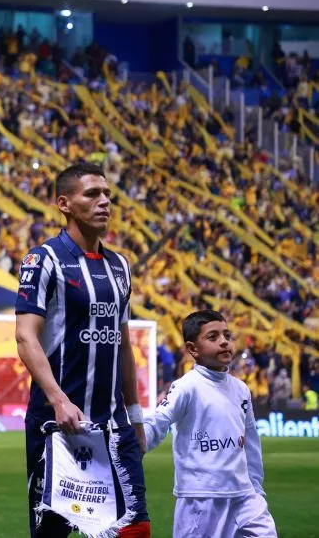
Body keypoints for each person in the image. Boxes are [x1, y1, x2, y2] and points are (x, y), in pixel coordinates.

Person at [15, 163, 150, 537]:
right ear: (65, 203)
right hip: (56, 425)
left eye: (107, 194)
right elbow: (26, 338)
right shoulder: (43, 260)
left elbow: (123, 344)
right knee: (52, 533)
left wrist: (135, 416)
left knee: (135, 527)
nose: (104, 201)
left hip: (112, 425)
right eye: (92, 194)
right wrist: (58, 399)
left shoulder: (120, 266)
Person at [144, 310, 277, 538]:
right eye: (213, 337)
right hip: (200, 498)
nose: (224, 341)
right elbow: (158, 422)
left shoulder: (241, 389)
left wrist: (256, 490)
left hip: (245, 496)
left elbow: (251, 443)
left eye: (226, 335)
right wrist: (131, 444)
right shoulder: (186, 386)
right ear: (192, 349)